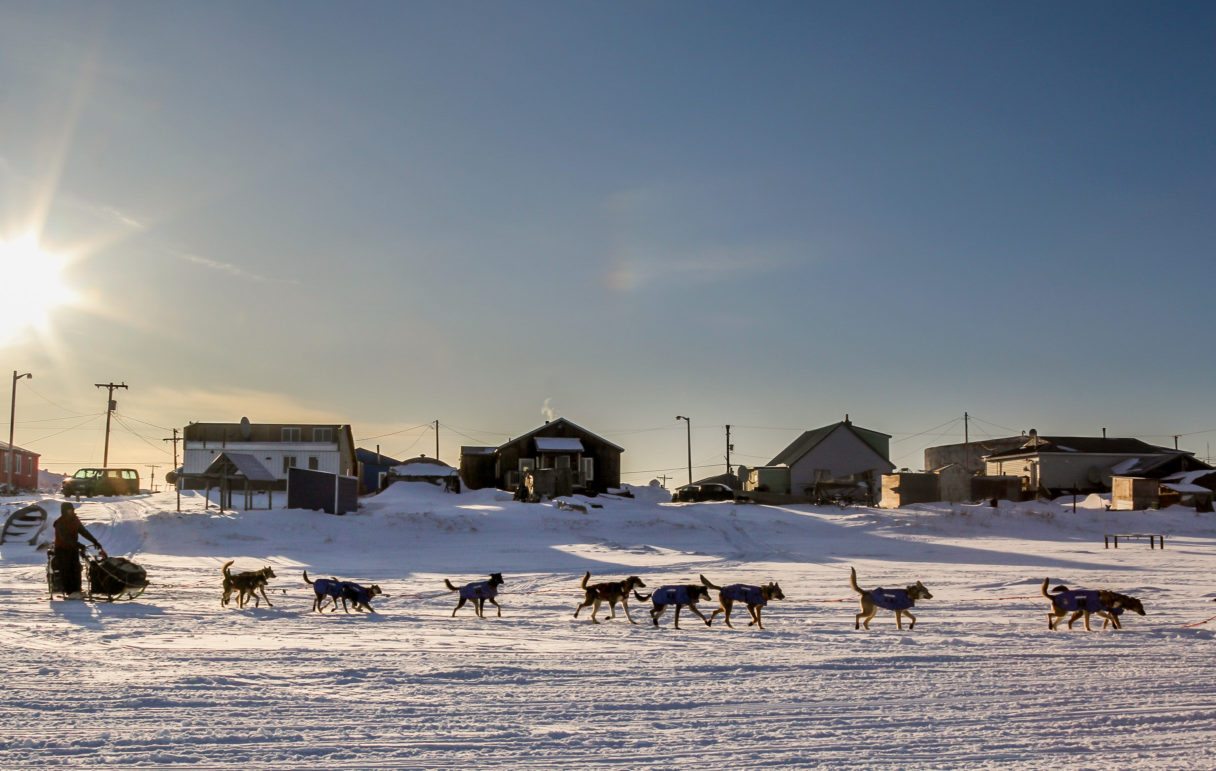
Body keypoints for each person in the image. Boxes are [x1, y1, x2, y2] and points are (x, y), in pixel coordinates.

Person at [52, 502, 105, 598]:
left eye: (72, 509)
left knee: (76, 569)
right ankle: (69, 591)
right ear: (64, 511)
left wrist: (94, 541)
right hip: (62, 549)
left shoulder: (75, 520)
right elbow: (65, 538)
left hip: (73, 548)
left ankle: (77, 589)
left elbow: (83, 531)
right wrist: (79, 545)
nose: (71, 511)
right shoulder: (59, 522)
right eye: (69, 510)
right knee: (66, 570)